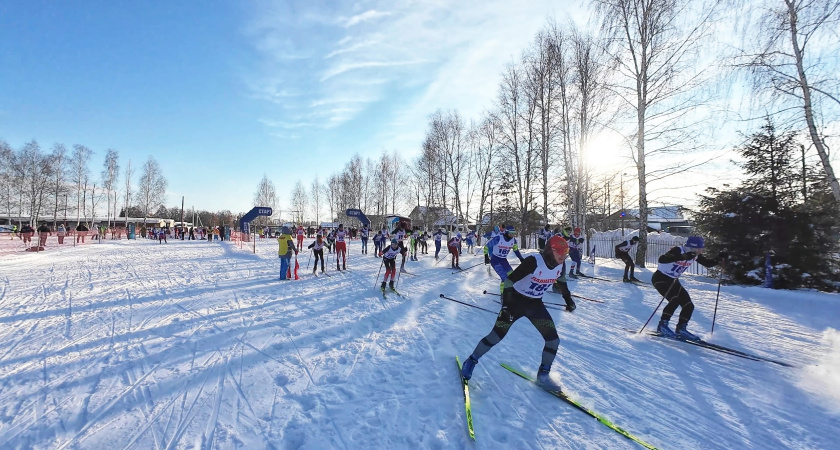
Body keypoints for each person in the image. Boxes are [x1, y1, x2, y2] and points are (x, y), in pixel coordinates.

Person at [460, 236, 575, 391]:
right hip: (514, 302)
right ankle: (471, 361)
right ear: (550, 250)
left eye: (566, 252)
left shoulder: (561, 266)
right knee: (495, 336)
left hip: (535, 305)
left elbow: (562, 284)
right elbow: (508, 281)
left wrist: (568, 300)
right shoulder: (534, 261)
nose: (563, 255)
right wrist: (506, 307)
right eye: (560, 251)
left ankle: (543, 375)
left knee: (553, 341)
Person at [655, 236, 727, 340]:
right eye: (700, 248)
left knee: (688, 305)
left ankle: (681, 329)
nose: (702, 250)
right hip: (660, 278)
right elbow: (662, 259)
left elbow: (707, 263)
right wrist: (682, 256)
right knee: (674, 300)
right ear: (693, 247)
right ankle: (662, 326)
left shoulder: (695, 255)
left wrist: (719, 258)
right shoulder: (678, 250)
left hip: (673, 280)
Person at [484, 226, 524, 292]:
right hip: (495, 260)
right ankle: (503, 296)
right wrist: (486, 256)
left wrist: (521, 258)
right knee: (504, 278)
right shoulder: (498, 238)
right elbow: (486, 247)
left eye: (514, 233)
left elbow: (516, 250)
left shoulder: (513, 240)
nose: (512, 235)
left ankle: (510, 291)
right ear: (506, 232)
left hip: (503, 260)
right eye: (511, 233)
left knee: (512, 276)